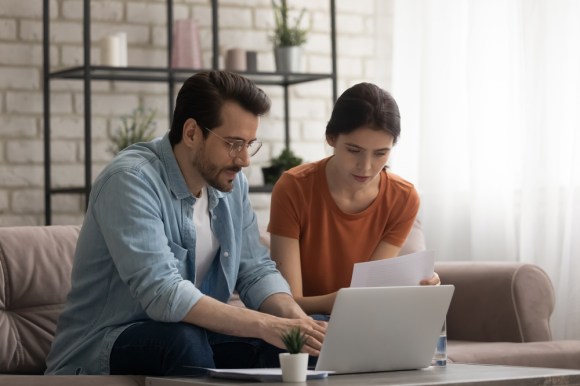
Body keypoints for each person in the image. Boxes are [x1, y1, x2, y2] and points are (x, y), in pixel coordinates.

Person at [45, 70, 326, 376]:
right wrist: (264, 324)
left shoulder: (231, 184)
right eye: (233, 144)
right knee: (182, 341)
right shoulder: (130, 181)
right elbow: (163, 292)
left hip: (192, 335)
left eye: (249, 144)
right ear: (192, 133)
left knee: (305, 340)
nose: (245, 160)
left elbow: (255, 270)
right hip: (103, 345)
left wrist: (298, 324)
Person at [268, 82, 440, 316]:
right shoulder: (293, 187)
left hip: (364, 319)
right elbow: (288, 303)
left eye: (381, 153)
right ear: (331, 138)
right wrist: (338, 301)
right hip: (305, 321)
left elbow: (370, 291)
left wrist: (417, 287)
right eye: (354, 150)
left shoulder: (403, 198)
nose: (366, 167)